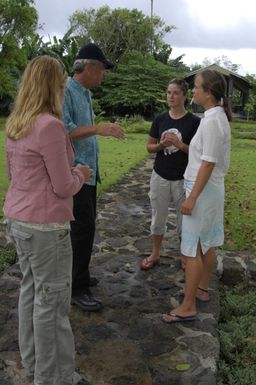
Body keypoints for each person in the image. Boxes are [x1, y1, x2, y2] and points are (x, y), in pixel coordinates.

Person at [3, 56, 92, 384]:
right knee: (52, 304)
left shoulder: (16, 123)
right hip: (44, 226)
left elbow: (15, 175)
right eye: (61, 81)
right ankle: (53, 377)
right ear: (51, 84)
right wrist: (80, 173)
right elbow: (63, 186)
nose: (64, 86)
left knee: (31, 290)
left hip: (18, 219)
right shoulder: (49, 125)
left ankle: (33, 361)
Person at [161, 69, 232, 323]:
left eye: (197, 87)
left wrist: (191, 198)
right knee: (207, 242)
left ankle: (188, 305)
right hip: (210, 189)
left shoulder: (212, 121)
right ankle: (201, 289)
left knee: (191, 250)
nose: (193, 91)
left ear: (209, 93)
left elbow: (208, 163)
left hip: (202, 190)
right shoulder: (216, 116)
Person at [63, 43, 125, 312]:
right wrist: (99, 128)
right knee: (80, 231)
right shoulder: (66, 90)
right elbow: (64, 130)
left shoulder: (85, 93)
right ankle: (77, 288)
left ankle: (81, 276)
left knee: (86, 229)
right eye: (102, 70)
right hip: (75, 174)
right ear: (89, 67)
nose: (104, 76)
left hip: (88, 174)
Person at [140, 79, 200, 271]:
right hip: (160, 176)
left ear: (184, 96)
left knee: (185, 221)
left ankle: (185, 256)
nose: (171, 96)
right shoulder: (160, 119)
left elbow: (199, 153)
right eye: (168, 93)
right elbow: (149, 147)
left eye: (175, 93)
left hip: (184, 178)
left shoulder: (194, 122)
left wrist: (179, 144)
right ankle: (155, 253)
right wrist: (161, 145)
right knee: (158, 217)